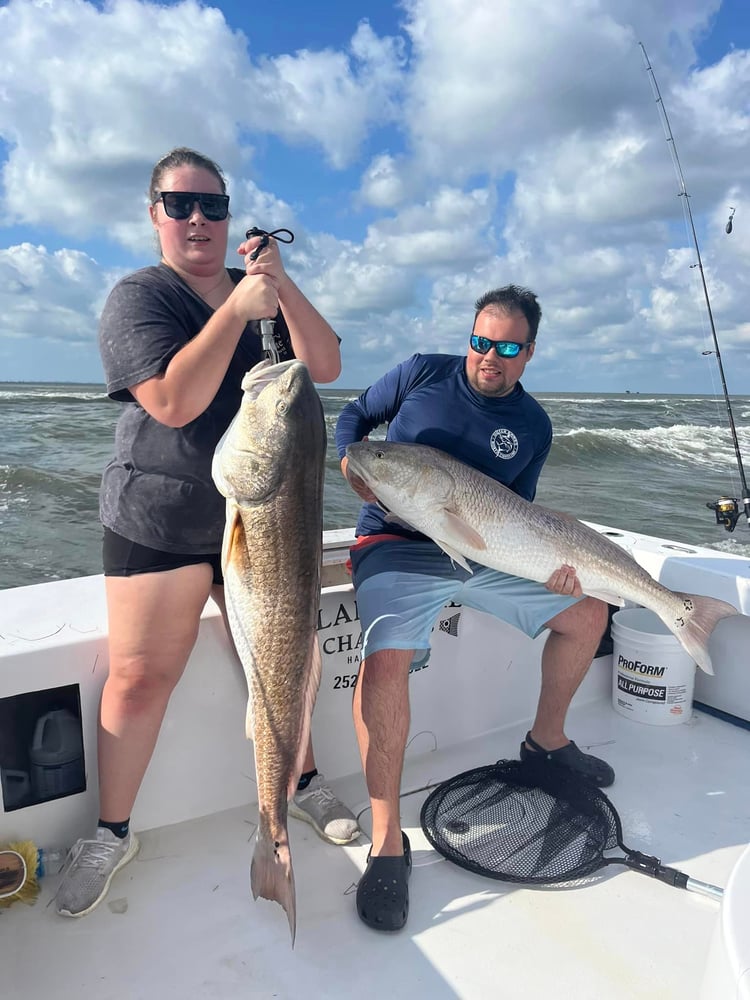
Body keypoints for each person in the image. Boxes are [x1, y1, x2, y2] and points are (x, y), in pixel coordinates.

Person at [55, 147, 360, 919]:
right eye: (180, 205)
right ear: (153, 213)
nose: (198, 220)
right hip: (162, 515)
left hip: (266, 515)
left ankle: (303, 784)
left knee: (286, 662)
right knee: (140, 677)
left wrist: (277, 286)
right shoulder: (139, 298)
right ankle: (111, 831)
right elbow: (172, 402)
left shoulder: (264, 294)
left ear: (231, 216)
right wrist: (233, 310)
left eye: (212, 206)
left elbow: (322, 364)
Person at [335, 284, 611, 932]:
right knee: (386, 658)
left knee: (588, 616)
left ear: (528, 353)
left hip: (480, 553)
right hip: (396, 543)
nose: (488, 356)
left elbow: (519, 518)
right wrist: (352, 465)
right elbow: (352, 417)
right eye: (480, 340)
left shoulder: (533, 426)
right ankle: (385, 840)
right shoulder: (421, 372)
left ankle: (545, 743)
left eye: (506, 346)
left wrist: (559, 572)